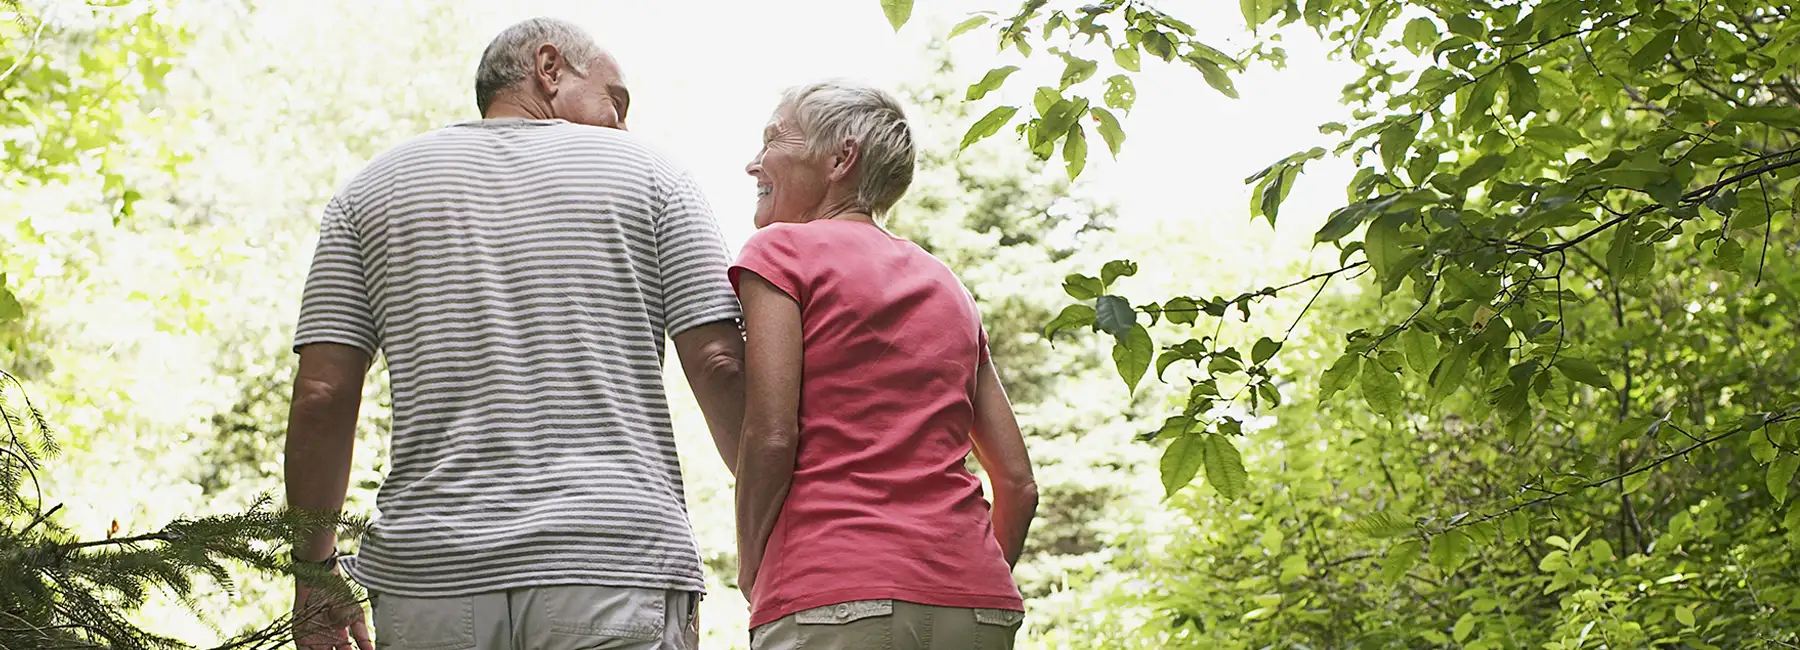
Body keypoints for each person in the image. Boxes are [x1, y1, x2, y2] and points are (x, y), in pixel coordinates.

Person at [282, 17, 746, 650]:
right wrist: (780, 521)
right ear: (548, 68)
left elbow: (321, 395)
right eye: (616, 102)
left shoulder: (368, 191)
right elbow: (721, 363)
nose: (623, 127)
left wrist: (313, 570)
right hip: (611, 566)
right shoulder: (655, 176)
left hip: (431, 581)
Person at [731, 80, 1040, 650]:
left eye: (773, 140)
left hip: (833, 592)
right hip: (977, 602)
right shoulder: (947, 285)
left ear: (840, 159)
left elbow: (772, 435)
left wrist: (753, 566)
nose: (754, 164)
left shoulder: (780, 252)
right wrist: (967, 577)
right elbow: (1017, 484)